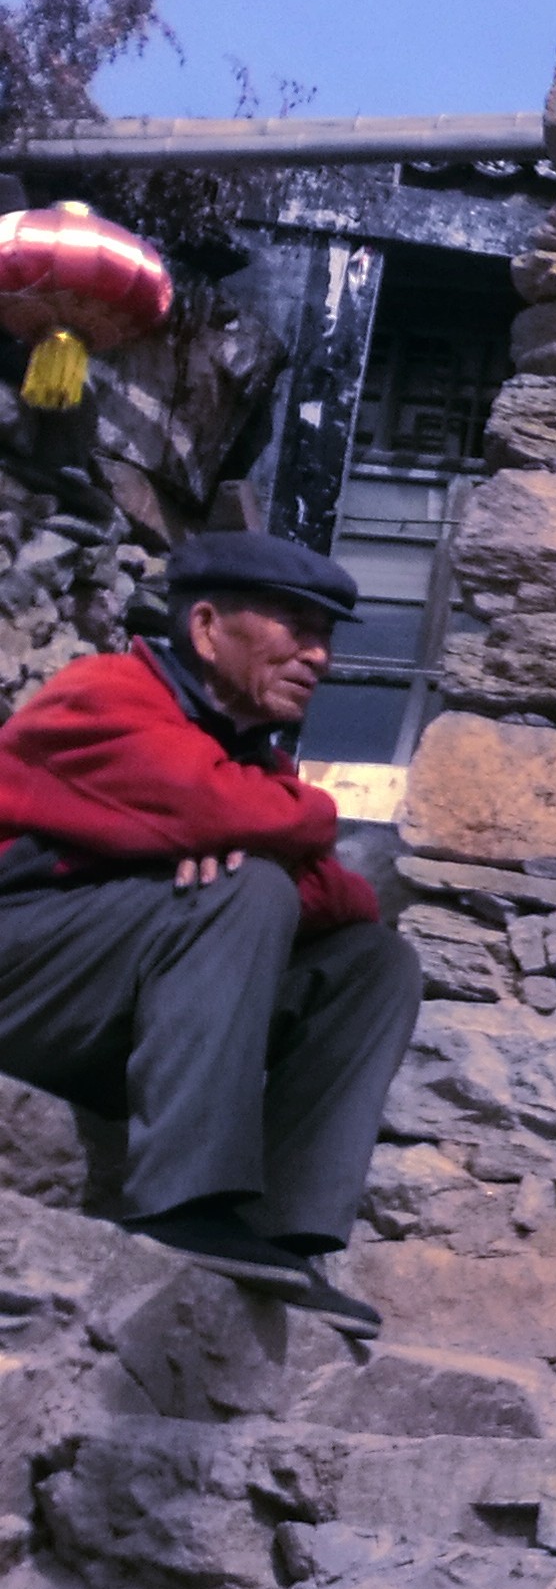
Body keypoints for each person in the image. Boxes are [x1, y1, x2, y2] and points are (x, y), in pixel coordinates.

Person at [0, 530, 413, 1335]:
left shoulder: (256, 756)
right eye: (296, 626)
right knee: (250, 883)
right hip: (23, 983)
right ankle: (182, 1200)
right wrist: (296, 827)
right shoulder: (102, 696)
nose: (319, 656)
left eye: (324, 635)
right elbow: (220, 808)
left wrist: (256, 841)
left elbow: (348, 902)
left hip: (106, 1008)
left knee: (375, 962)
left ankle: (277, 1231)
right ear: (206, 628)